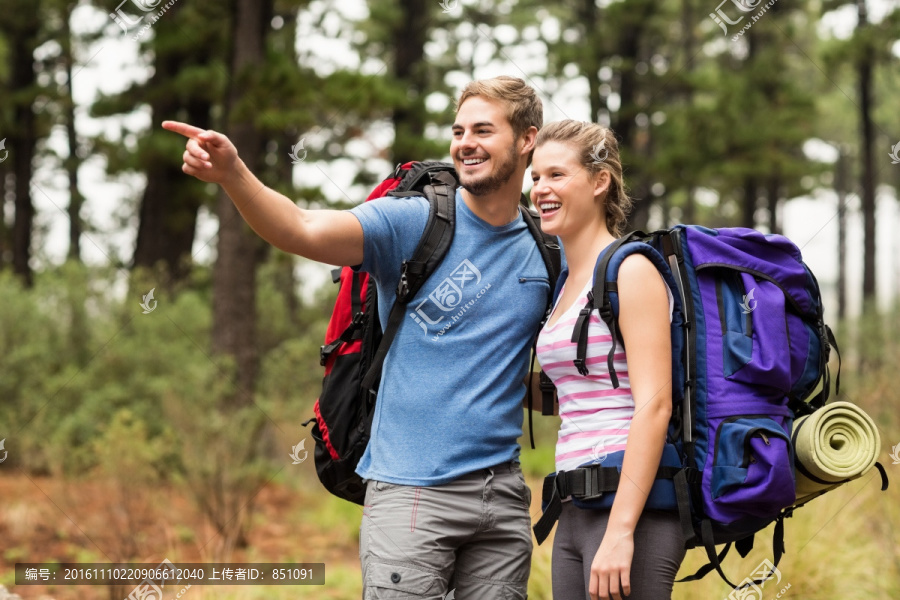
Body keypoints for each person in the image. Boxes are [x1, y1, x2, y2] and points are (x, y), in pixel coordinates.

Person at [164, 76, 551, 600]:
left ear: (527, 139)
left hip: (502, 501)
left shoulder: (547, 248)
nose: (465, 142)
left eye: (484, 129)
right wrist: (234, 173)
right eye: (459, 130)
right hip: (410, 495)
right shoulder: (416, 222)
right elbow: (300, 228)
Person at [530, 120, 685, 600]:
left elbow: (655, 405)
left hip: (629, 509)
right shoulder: (565, 286)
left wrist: (621, 530)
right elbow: (582, 394)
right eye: (535, 178)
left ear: (600, 182)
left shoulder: (631, 270)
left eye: (557, 175)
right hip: (575, 506)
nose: (540, 190)